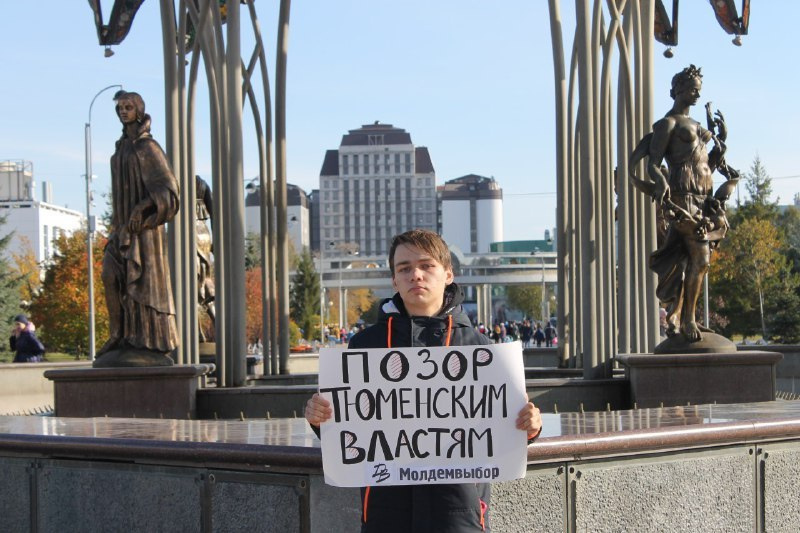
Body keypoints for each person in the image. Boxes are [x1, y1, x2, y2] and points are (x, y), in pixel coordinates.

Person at [305, 229, 542, 532]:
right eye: (404, 268)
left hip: (459, 513)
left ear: (447, 274)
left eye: (426, 265)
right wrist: (320, 417)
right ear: (394, 280)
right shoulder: (365, 346)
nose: (415, 274)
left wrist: (531, 426)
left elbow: (506, 428)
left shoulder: (480, 348)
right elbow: (351, 433)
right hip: (385, 512)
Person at [630, 65, 737, 342]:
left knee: (694, 262)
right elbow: (653, 163)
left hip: (704, 203)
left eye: (699, 89)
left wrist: (721, 142)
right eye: (692, 88)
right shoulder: (668, 124)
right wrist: (660, 182)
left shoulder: (700, 127)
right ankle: (688, 319)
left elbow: (705, 167)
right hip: (682, 202)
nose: (697, 93)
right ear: (677, 90)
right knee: (700, 260)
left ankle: (681, 316)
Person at [98, 91, 180, 357]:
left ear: (139, 110)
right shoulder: (121, 147)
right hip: (121, 229)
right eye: (120, 107)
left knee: (141, 283)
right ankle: (118, 334)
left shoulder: (148, 147)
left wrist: (142, 207)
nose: (123, 111)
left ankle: (145, 339)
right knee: (109, 274)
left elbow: (169, 190)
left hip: (144, 232)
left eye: (129, 107)